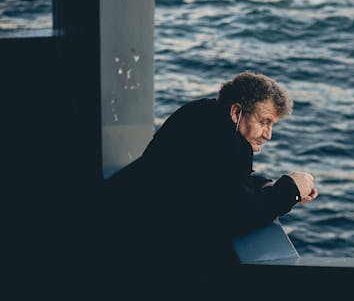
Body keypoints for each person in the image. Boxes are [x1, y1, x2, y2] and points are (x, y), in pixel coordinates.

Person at [104, 71, 318, 278]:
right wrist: (291, 190)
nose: (268, 135)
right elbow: (237, 215)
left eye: (272, 126)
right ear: (236, 112)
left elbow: (219, 182)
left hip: (116, 226)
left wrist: (266, 186)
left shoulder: (200, 114)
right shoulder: (226, 143)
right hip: (134, 254)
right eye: (263, 122)